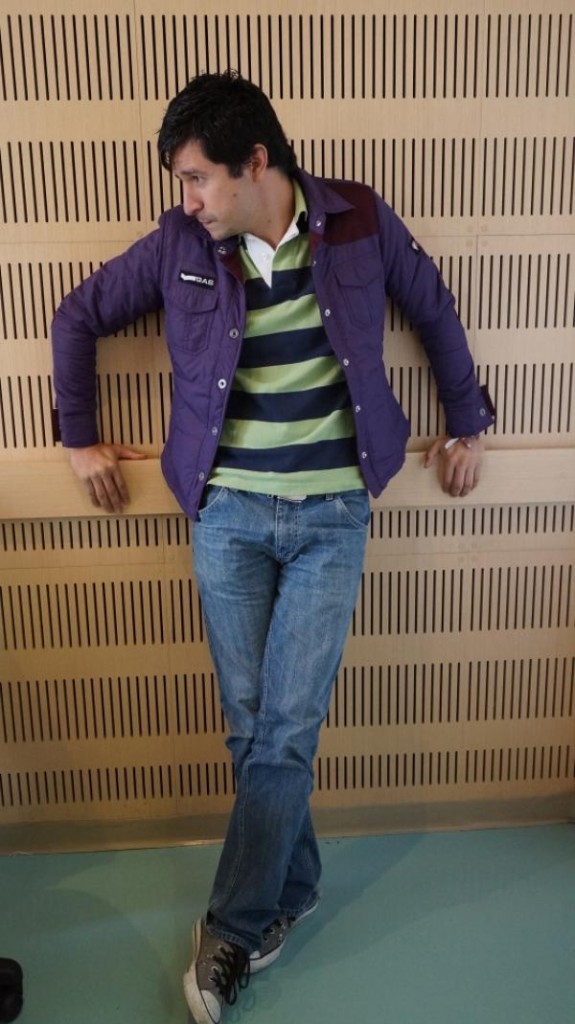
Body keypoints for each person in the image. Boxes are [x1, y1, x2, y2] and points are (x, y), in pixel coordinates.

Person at [51, 70, 495, 1024]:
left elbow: (433, 307)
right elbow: (76, 315)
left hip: (332, 514)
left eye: (196, 177)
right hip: (228, 519)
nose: (187, 199)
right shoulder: (180, 246)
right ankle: (295, 887)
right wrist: (78, 435)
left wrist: (467, 421)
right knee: (251, 727)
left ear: (255, 162)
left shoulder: (359, 220)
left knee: (284, 729)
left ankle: (230, 932)